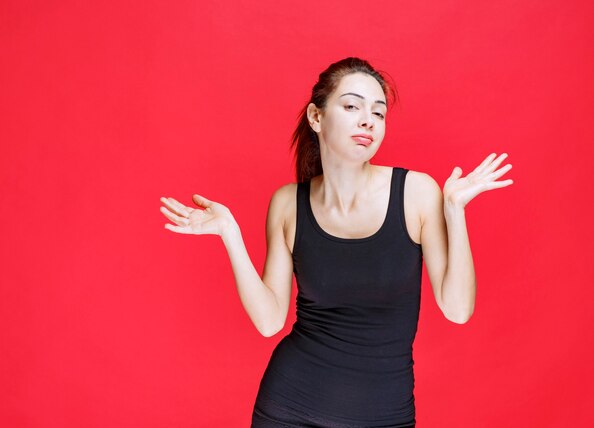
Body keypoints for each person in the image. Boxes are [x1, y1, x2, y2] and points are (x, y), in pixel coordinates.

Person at [159, 57, 513, 427]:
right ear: (316, 117)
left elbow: (458, 310)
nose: (368, 121)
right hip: (288, 409)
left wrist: (454, 210)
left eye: (378, 113)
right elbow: (268, 321)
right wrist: (230, 233)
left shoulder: (417, 193)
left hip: (383, 415)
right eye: (351, 106)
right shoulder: (287, 204)